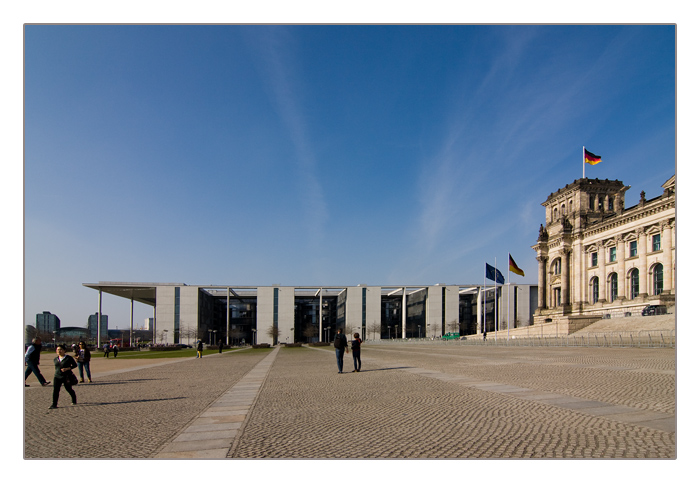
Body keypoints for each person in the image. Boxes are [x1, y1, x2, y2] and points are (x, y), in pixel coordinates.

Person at [49, 344, 77, 409]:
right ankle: (54, 404)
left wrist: (67, 368)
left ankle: (74, 398)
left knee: (68, 389)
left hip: (66, 376)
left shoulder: (68, 358)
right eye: (58, 350)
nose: (59, 351)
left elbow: (75, 365)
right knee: (56, 390)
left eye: (61, 349)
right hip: (57, 376)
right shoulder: (55, 359)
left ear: (64, 350)